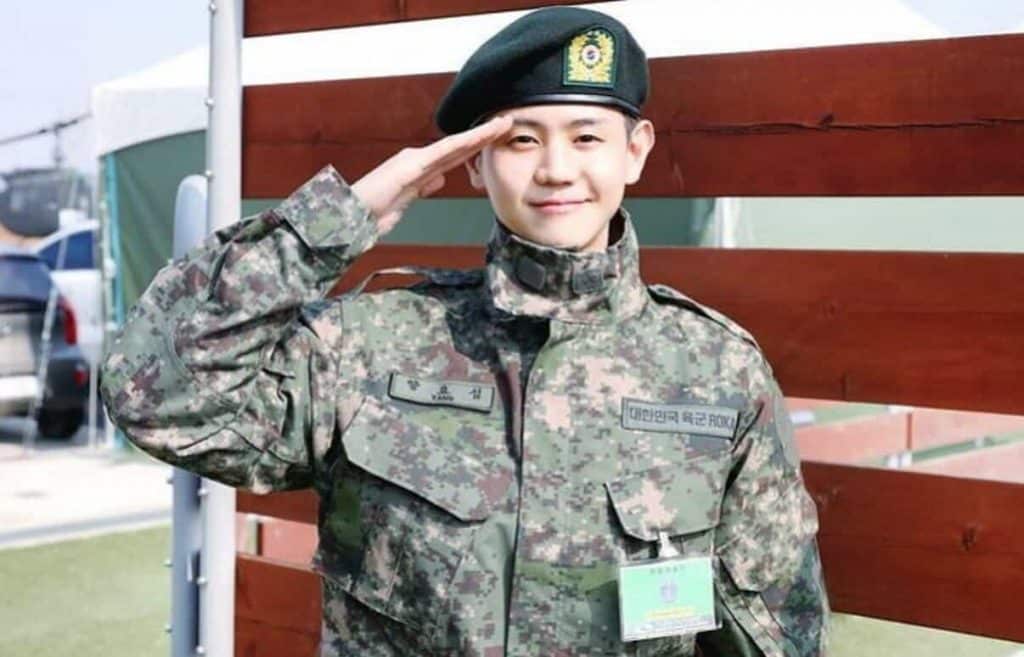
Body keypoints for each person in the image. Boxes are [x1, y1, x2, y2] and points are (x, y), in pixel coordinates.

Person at [101, 6, 829, 657]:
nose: (556, 170)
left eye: (587, 137)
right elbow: (157, 393)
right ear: (475, 163)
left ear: (635, 149)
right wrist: (340, 217)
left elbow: (776, 631)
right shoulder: (370, 347)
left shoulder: (715, 370)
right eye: (521, 141)